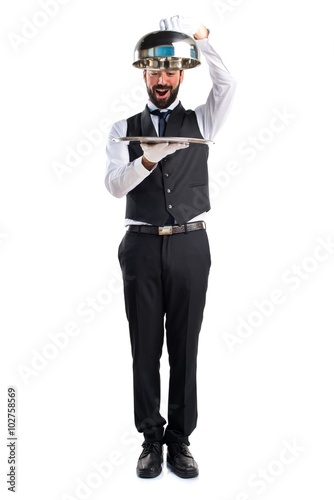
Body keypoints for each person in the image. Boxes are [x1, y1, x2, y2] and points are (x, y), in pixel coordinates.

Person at [105, 14, 236, 479]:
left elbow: (228, 84)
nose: (162, 79)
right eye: (155, 72)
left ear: (182, 74)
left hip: (189, 246)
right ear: (143, 73)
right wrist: (146, 158)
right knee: (144, 347)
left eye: (171, 71)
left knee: (184, 346)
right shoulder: (123, 127)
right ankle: (150, 440)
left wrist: (203, 42)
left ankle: (180, 440)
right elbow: (115, 187)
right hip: (139, 247)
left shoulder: (201, 119)